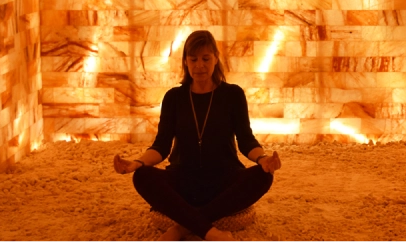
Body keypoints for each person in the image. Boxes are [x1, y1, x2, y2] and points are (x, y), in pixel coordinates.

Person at [113, 30, 281, 242]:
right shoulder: (174, 97)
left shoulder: (233, 95)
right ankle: (213, 233)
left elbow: (246, 140)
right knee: (142, 177)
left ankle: (181, 229)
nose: (199, 65)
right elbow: (161, 146)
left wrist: (263, 159)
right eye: (193, 59)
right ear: (185, 61)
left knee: (263, 176)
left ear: (216, 59)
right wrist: (137, 163)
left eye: (206, 58)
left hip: (224, 179)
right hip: (183, 179)